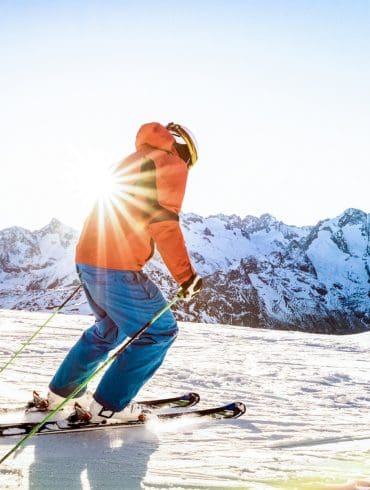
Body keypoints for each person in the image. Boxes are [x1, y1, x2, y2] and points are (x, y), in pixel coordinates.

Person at [43, 122, 202, 422]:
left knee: (109, 330)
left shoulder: (134, 159)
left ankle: (61, 394)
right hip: (115, 265)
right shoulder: (171, 163)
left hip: (90, 257)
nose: (188, 169)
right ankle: (109, 405)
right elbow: (164, 224)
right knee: (160, 331)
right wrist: (187, 277)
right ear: (185, 151)